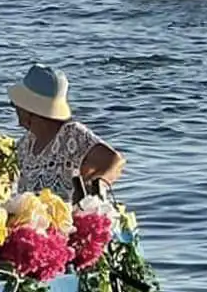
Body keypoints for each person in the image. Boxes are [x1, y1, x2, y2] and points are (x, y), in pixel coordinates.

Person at [10, 64, 126, 198]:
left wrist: (98, 183)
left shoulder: (72, 135)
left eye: (15, 105)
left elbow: (115, 160)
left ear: (29, 109)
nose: (16, 109)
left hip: (70, 217)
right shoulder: (24, 145)